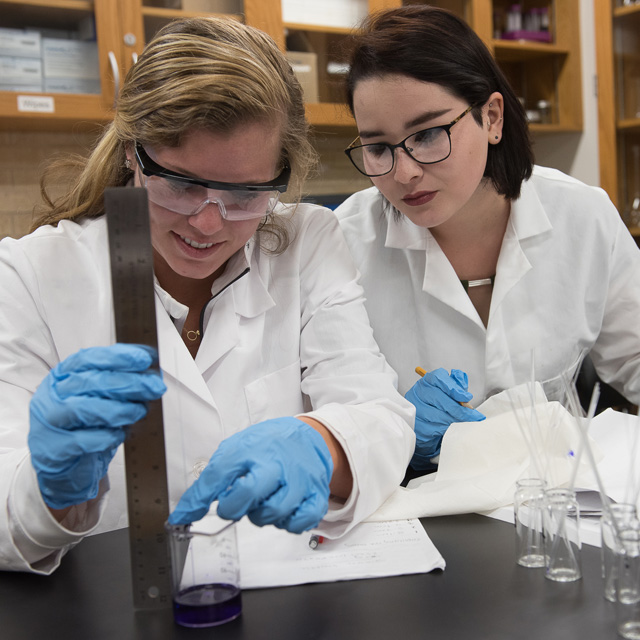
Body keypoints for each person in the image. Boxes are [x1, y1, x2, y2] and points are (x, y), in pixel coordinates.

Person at [0, 16, 415, 573]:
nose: (208, 223)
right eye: (181, 184)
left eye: (245, 193)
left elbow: (379, 416)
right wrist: (49, 489)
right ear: (133, 153)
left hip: (279, 599)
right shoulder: (30, 273)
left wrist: (323, 444)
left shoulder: (306, 242)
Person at [334, 5, 640, 471]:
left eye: (429, 134)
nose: (405, 172)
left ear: (492, 118)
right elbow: (331, 413)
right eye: (378, 148)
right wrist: (392, 434)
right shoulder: (345, 242)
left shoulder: (583, 217)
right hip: (412, 508)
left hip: (552, 497)